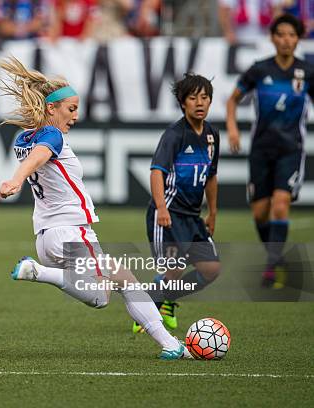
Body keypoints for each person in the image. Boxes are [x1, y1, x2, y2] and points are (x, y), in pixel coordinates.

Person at [0, 56, 192, 360]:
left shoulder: (24, 138)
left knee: (124, 278)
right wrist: (16, 178)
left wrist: (19, 175)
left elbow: (35, 154)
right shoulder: (51, 135)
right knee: (101, 296)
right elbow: (40, 155)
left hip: (47, 236)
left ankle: (170, 345)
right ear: (51, 108)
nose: (75, 116)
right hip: (70, 232)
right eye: (70, 109)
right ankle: (37, 271)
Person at [226, 14, 314, 288]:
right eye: (281, 34)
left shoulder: (307, 72)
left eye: (291, 35)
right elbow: (233, 100)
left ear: (298, 38)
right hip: (261, 149)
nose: (286, 40)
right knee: (260, 213)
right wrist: (231, 128)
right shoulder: (259, 70)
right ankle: (275, 256)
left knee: (280, 205)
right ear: (273, 38)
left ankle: (271, 266)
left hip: (291, 149)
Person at [132, 73, 221, 334]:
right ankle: (149, 307)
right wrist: (161, 207)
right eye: (193, 98)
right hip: (169, 215)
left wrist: (213, 212)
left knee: (212, 270)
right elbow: (156, 171)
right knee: (175, 271)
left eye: (204, 97)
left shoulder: (212, 135)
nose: (199, 103)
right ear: (183, 103)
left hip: (193, 217)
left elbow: (211, 176)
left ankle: (159, 298)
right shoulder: (174, 135)